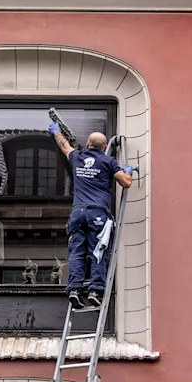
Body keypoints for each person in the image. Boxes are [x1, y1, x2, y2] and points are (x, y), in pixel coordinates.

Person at [48, 121, 133, 308]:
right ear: (104, 148)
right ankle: (95, 290)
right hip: (98, 214)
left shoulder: (78, 157)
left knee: (77, 253)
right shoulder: (108, 161)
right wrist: (128, 172)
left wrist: (56, 132)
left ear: (87, 145)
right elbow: (126, 183)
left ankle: (75, 290)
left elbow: (64, 146)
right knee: (98, 252)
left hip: (78, 213)